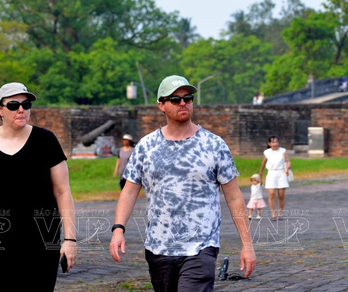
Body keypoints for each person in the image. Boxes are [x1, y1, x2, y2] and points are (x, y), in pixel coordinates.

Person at [109, 75, 256, 291]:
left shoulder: (214, 144)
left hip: (201, 247)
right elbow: (130, 191)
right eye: (175, 99)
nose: (183, 103)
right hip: (158, 247)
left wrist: (247, 244)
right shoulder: (146, 147)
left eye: (187, 98)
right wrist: (118, 229)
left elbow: (234, 196)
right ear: (161, 105)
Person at [0, 82, 77, 291]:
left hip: (38, 241)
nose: (21, 109)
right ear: (0, 110)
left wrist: (70, 240)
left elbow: (63, 191)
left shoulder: (45, 140)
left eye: (26, 104)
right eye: (13, 105)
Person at [260, 135, 291, 220]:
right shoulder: (267, 152)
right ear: (269, 143)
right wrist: (261, 173)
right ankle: (273, 213)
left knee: (281, 195)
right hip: (271, 173)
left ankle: (280, 212)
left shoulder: (283, 151)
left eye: (276, 142)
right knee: (271, 193)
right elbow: (263, 163)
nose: (275, 144)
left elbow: (288, 161)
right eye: (273, 142)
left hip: (281, 173)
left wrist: (288, 166)